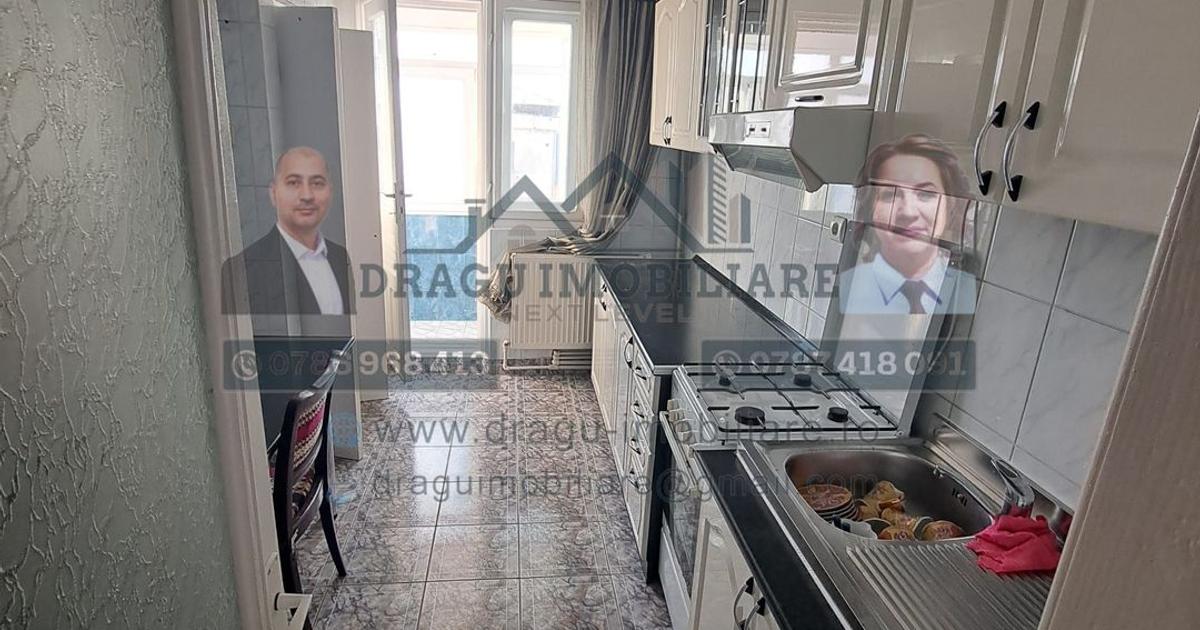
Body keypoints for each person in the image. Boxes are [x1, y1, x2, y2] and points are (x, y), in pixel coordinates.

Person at [837, 134, 975, 316]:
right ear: (870, 210)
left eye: (925, 194)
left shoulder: (965, 291)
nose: (908, 212)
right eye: (890, 195)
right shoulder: (851, 288)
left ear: (950, 206)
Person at [222, 146, 353, 315]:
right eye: (293, 183)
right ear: (274, 193)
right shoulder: (242, 271)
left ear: (330, 192)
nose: (307, 195)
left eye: (317, 183)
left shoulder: (340, 257)